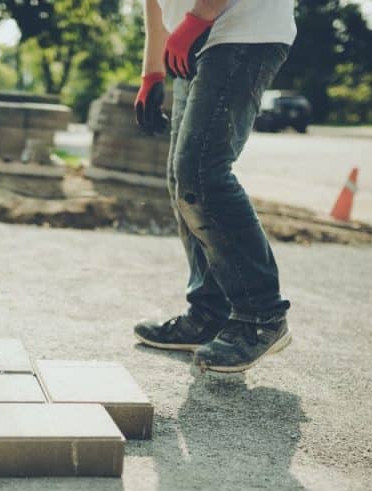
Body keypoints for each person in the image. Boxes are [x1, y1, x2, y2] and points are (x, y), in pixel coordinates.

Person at [133, 0, 296, 372]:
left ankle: (261, 317)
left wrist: (197, 19)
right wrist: (151, 73)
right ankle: (211, 312)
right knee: (182, 180)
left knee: (202, 173)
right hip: (193, 41)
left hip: (243, 30)